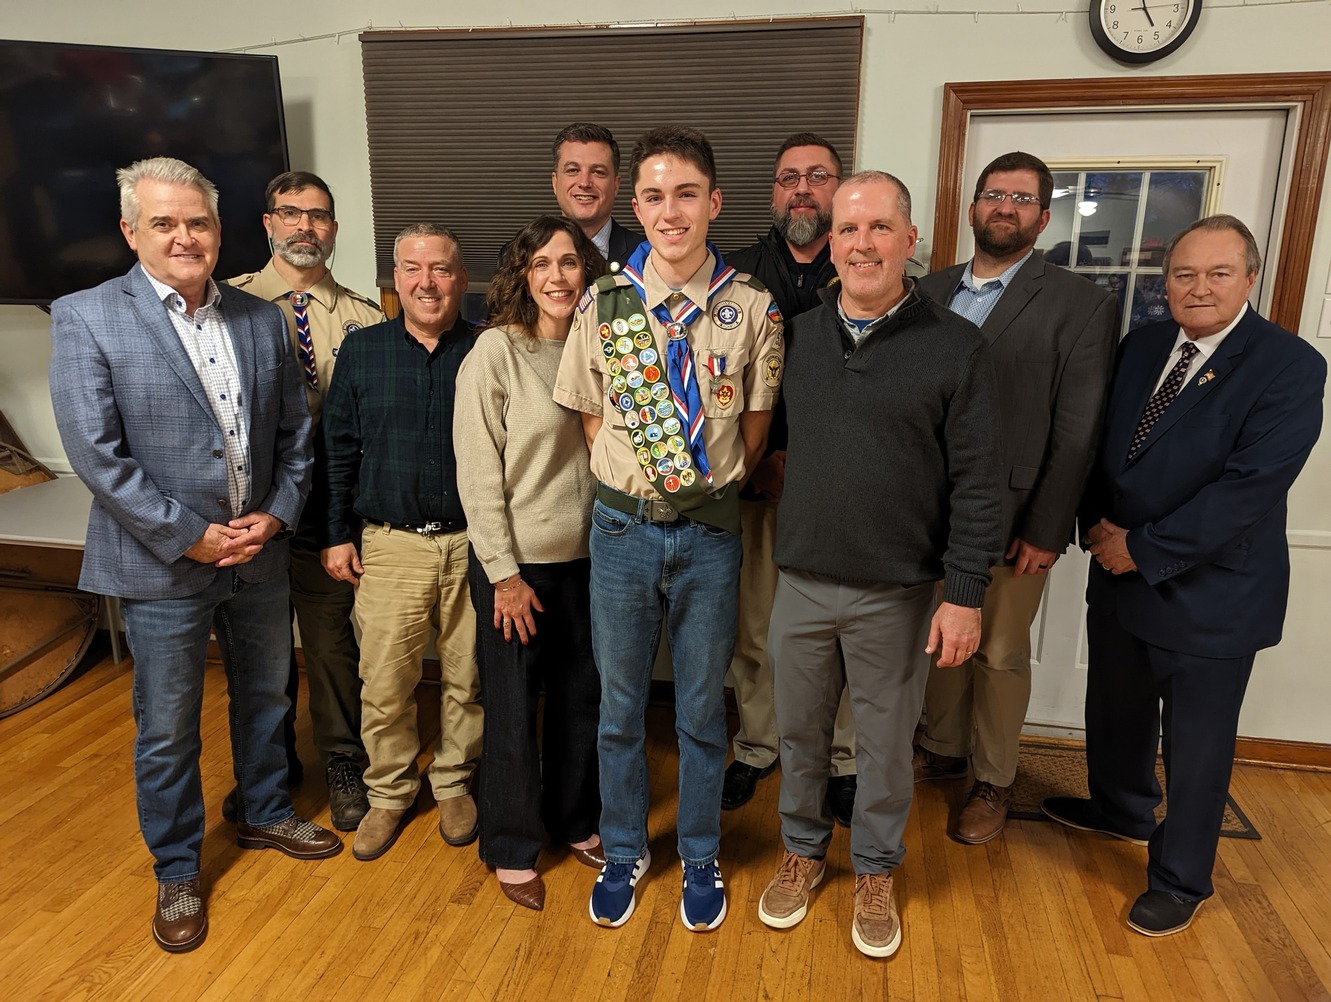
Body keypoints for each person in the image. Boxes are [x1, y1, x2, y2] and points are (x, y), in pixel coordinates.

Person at [49, 157, 341, 954]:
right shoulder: (86, 317)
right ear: (130, 231)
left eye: (199, 222)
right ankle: (177, 867)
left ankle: (266, 811)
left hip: (257, 555)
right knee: (169, 728)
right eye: (165, 222)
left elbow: (295, 439)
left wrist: (275, 517)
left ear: (219, 230)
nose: (185, 236)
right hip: (162, 565)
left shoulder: (258, 318)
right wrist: (192, 534)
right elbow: (98, 458)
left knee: (267, 697)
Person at [1043, 215, 1325, 937]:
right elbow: (1102, 447)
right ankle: (1118, 809)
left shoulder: (1288, 366)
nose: (1197, 288)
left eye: (1217, 273)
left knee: (1196, 748)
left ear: (1250, 278)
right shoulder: (1141, 347)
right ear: (1165, 280)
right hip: (1119, 577)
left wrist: (1142, 546)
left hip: (1211, 593)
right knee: (1115, 710)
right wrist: (1097, 529)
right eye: (1183, 274)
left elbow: (1248, 487)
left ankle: (1180, 878)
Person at [758, 171, 1002, 957]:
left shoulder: (957, 349)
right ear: (830, 242)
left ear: (908, 241)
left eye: (878, 229)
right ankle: (800, 855)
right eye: (847, 229)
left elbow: (978, 483)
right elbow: (774, 445)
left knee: (883, 746)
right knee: (795, 734)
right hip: (798, 578)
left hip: (896, 592)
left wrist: (962, 595)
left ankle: (873, 868)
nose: (861, 244)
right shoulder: (795, 336)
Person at [553, 125, 784, 932]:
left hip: (710, 536)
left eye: (685, 193)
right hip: (620, 533)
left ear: (713, 202)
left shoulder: (752, 305)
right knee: (619, 707)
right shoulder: (603, 300)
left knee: (697, 709)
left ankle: (696, 851)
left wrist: (694, 487)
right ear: (636, 205)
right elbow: (589, 419)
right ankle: (623, 849)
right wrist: (642, 480)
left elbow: (753, 431)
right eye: (651, 195)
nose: (668, 210)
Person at [914, 152, 1118, 844]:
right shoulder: (929, 291)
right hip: (924, 514)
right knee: (940, 641)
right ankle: (941, 747)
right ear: (972, 207)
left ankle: (993, 778)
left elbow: (1078, 428)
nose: (1005, 206)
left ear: (1042, 216)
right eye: (994, 194)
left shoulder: (1079, 304)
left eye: (1022, 198)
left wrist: (1044, 526)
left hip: (1011, 517)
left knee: (998, 652)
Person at [456, 215, 608, 910]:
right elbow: (478, 472)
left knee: (582, 701)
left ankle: (575, 819)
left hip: (593, 562)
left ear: (588, 273)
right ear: (521, 274)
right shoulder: (496, 351)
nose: (557, 276)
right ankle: (512, 845)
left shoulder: (602, 346)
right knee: (514, 710)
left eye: (570, 263)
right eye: (541, 263)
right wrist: (504, 574)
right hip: (515, 568)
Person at [227, 170, 385, 832]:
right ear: (267, 223)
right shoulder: (225, 307)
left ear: (334, 229)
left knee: (329, 646)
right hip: (250, 515)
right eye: (290, 214)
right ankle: (268, 768)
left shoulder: (365, 318)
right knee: (259, 656)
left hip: (326, 514)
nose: (304, 227)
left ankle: (344, 762)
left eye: (318, 216)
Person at [321, 224, 483, 861]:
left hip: (473, 544)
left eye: (441, 269)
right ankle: (388, 792)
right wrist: (335, 535)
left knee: (467, 679)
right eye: (413, 269)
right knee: (384, 681)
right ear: (395, 279)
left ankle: (453, 782)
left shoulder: (488, 348)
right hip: (389, 546)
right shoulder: (362, 352)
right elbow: (338, 451)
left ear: (461, 280)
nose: (427, 282)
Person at [723, 132, 858, 821]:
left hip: (841, 490)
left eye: (817, 177)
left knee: (840, 630)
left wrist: (802, 458)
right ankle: (754, 746)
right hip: (755, 484)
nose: (802, 189)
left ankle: (842, 759)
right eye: (788, 179)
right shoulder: (734, 274)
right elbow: (719, 377)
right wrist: (759, 459)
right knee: (755, 628)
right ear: (771, 193)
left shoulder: (866, 269)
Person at [550, 122, 644, 270]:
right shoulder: (520, 254)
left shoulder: (647, 256)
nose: (584, 183)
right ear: (555, 183)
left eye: (598, 172)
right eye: (573, 170)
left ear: (615, 185)